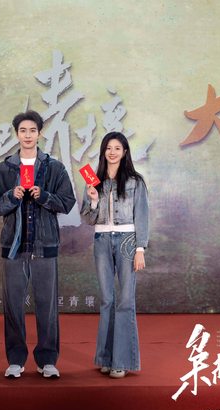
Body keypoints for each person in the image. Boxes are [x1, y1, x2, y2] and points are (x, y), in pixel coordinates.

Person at [0, 110, 76, 379]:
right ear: (17, 134)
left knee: (47, 306)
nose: (27, 135)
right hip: (14, 248)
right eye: (23, 131)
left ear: (40, 133)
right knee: (13, 306)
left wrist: (44, 196)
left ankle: (47, 360)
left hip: (44, 247)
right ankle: (16, 360)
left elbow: (67, 202)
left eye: (32, 130)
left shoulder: (53, 167)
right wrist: (11, 196)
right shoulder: (4, 169)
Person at [80, 131, 149, 379]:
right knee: (107, 299)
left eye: (117, 148)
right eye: (108, 148)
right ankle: (106, 358)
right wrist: (93, 201)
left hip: (127, 241)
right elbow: (88, 219)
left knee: (125, 300)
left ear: (124, 152)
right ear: (103, 151)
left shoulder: (135, 181)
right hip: (101, 241)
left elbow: (142, 215)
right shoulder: (93, 181)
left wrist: (140, 249)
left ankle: (122, 361)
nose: (112, 152)